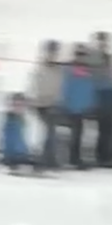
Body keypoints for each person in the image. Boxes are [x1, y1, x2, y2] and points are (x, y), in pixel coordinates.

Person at [62, 43, 97, 170]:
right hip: (71, 107)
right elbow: (65, 88)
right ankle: (73, 158)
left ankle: (75, 157)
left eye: (83, 54)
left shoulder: (88, 71)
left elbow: (89, 89)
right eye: (79, 54)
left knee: (79, 133)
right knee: (75, 133)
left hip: (82, 107)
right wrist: (65, 103)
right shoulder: (69, 69)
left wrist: (90, 104)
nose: (81, 57)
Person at [29, 39, 64, 169]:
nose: (53, 55)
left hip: (52, 104)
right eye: (51, 52)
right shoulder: (39, 68)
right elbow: (34, 86)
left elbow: (59, 87)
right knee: (42, 134)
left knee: (52, 133)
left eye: (55, 52)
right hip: (41, 104)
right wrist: (35, 101)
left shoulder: (58, 69)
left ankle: (50, 159)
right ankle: (41, 160)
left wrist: (58, 100)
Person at [91, 31, 112, 166]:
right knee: (103, 129)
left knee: (108, 129)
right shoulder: (93, 59)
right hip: (99, 95)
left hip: (109, 94)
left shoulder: (109, 58)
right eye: (100, 41)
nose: (103, 44)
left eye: (104, 42)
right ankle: (102, 157)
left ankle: (107, 156)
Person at [1, 92, 33, 173]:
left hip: (20, 154)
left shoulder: (22, 120)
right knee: (13, 136)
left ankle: (18, 157)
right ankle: (13, 158)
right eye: (16, 105)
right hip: (12, 154)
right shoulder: (10, 121)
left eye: (21, 106)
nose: (19, 108)